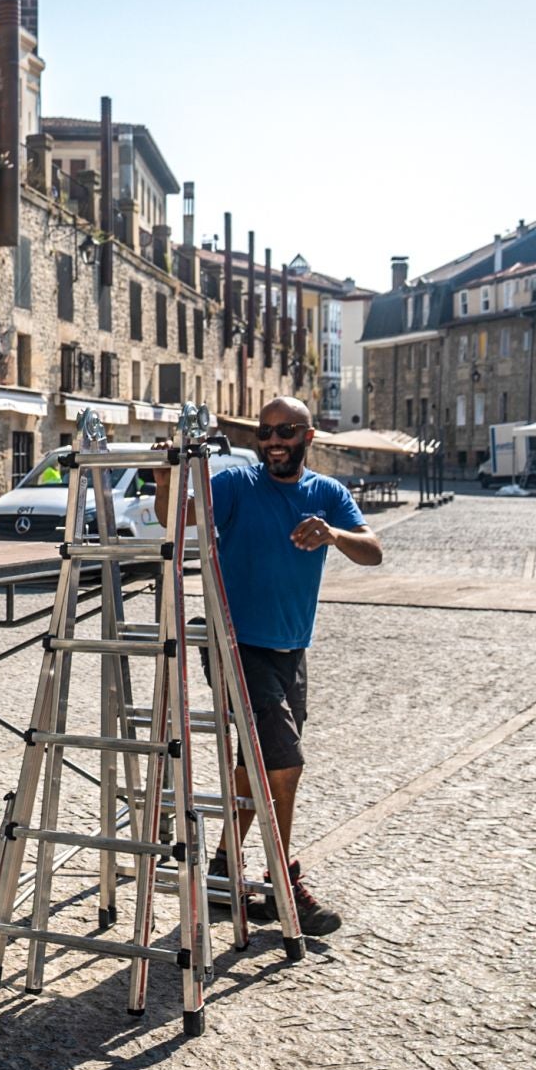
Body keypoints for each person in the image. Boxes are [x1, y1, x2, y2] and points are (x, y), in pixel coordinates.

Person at [155, 397, 382, 936]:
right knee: (283, 763)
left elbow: (372, 550)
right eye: (265, 432)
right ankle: (285, 883)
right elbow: (176, 518)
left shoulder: (328, 495)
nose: (273, 441)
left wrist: (331, 533)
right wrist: (167, 473)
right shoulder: (238, 484)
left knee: (249, 763)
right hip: (235, 646)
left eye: (285, 431)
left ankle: (220, 869)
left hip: (290, 650)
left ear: (308, 437)